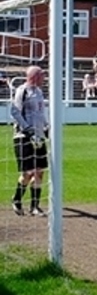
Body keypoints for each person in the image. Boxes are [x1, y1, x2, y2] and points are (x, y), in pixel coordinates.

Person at [10, 66, 49, 217]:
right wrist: (27, 129)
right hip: (23, 136)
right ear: (35, 76)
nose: (44, 78)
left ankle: (35, 206)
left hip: (38, 136)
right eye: (42, 76)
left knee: (39, 171)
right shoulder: (22, 91)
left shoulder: (39, 92)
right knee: (28, 172)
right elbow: (15, 112)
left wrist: (45, 127)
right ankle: (17, 199)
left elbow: (40, 113)